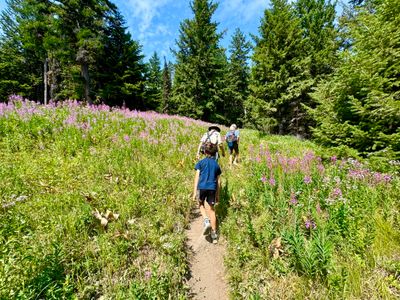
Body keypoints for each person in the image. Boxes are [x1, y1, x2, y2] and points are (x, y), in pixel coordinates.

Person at [193, 143, 222, 244]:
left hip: (202, 187)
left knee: (200, 204)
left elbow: (196, 178)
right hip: (212, 188)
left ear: (204, 151)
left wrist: (194, 192)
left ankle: (206, 220)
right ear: (215, 153)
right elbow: (219, 181)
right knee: (212, 209)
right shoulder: (216, 164)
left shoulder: (200, 163)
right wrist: (217, 194)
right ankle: (214, 235)